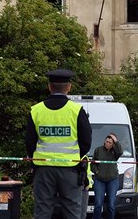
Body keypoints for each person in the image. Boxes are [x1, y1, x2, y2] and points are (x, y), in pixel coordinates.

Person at [26, 68, 92, 219]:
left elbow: (29, 142)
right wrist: (74, 156)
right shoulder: (76, 110)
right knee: (72, 212)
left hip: (43, 170)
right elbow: (86, 141)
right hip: (69, 170)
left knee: (42, 212)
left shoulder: (36, 111)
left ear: (49, 87)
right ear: (69, 87)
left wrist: (37, 159)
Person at [91, 133, 123, 219]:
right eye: (107, 142)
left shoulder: (115, 152)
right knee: (98, 204)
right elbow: (92, 164)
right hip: (99, 180)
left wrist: (116, 141)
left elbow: (120, 152)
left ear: (113, 144)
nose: (107, 144)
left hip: (112, 180)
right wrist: (97, 171)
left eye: (110, 143)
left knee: (111, 205)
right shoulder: (98, 150)